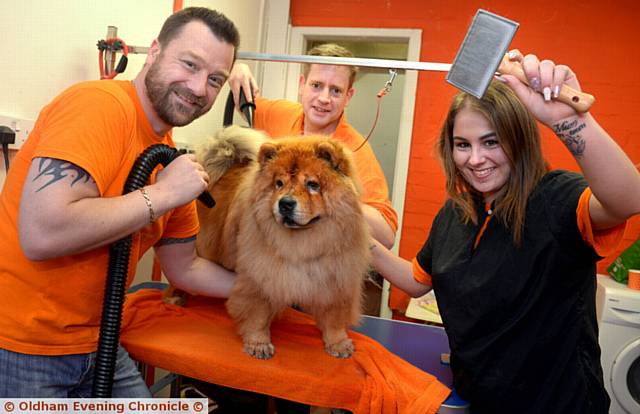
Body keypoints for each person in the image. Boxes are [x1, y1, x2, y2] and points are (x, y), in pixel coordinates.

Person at [370, 50, 640, 414]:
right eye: (463, 145)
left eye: (491, 142)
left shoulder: (556, 199)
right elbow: (418, 280)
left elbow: (629, 198)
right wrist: (356, 238)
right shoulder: (456, 212)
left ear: (519, 140)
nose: (475, 159)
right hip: (480, 400)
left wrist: (567, 122)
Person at [0, 7, 241, 397]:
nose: (199, 88)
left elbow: (186, 270)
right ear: (156, 50)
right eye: (189, 64)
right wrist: (162, 194)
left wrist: (267, 287)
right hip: (21, 348)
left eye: (215, 79)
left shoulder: (169, 159)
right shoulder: (100, 105)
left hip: (100, 346)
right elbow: (41, 233)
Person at [228, 43, 397, 248]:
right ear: (302, 84)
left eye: (335, 90)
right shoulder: (282, 114)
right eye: (316, 85)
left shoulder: (356, 150)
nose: (324, 98)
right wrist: (236, 68)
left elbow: (386, 237)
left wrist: (341, 195)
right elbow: (244, 102)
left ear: (348, 96)